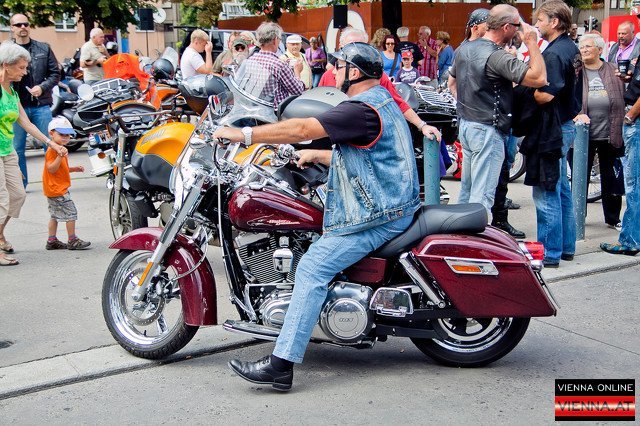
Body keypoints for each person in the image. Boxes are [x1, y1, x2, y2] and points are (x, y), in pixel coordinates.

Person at [214, 42, 421, 390]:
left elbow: (301, 129)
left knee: (311, 268)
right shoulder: (381, 100)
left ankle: (281, 365)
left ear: (354, 72)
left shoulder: (359, 109)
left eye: (339, 66)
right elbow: (372, 155)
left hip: (380, 214)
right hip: (393, 202)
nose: (333, 71)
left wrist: (244, 134)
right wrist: (319, 156)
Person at [448, 4, 546, 213]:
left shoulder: (464, 48)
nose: (519, 30)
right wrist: (532, 42)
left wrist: (466, 104)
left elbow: (451, 83)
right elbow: (539, 78)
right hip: (486, 129)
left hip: (467, 125)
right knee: (482, 197)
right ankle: (476, 233)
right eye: (517, 26)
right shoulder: (497, 56)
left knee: (468, 191)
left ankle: (463, 232)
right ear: (506, 27)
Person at [0, 41, 66, 266]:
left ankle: (0, 234)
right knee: (2, 199)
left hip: (7, 150)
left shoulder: (12, 91)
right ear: (6, 65)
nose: (25, 72)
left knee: (17, 195)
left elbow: (26, 123)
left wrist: (51, 143)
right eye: (21, 67)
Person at [319, 28, 441, 142]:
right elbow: (318, 106)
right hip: (332, 137)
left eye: (361, 47)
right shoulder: (329, 75)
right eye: (351, 46)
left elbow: (397, 102)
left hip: (363, 141)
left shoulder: (377, 76)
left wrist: (422, 125)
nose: (356, 51)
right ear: (341, 47)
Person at [531, 0, 583, 268]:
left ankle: (550, 251)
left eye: (540, 20)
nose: (536, 24)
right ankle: (565, 247)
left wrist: (527, 90)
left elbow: (545, 95)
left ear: (554, 22)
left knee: (547, 187)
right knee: (561, 188)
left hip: (555, 128)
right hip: (565, 124)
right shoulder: (570, 47)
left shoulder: (554, 53)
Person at [572, 34, 625, 232]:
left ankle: (612, 218)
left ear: (600, 50)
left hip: (610, 132)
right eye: (582, 47)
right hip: (581, 134)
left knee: (611, 178)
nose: (584, 50)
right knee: (580, 177)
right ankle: (577, 217)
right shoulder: (575, 72)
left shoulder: (613, 70)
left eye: (588, 46)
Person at [9, 13, 60, 188]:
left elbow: (55, 73)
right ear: (12, 28)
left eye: (26, 24)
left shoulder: (43, 48)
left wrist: (42, 87)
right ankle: (21, 186)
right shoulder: (7, 51)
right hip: (17, 106)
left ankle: (54, 184)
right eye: (18, 25)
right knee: (17, 148)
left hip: (41, 105)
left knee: (50, 144)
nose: (23, 27)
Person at [600, 37, 640, 256]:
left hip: (636, 122)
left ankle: (630, 240)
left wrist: (630, 116)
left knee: (634, 185)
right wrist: (630, 79)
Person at [43, 117, 91, 251]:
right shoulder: (54, 150)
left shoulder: (60, 149)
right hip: (58, 190)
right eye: (61, 134)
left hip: (54, 189)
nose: (65, 137)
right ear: (51, 134)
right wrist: (60, 156)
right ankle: (72, 240)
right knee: (71, 213)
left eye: (68, 135)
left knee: (54, 215)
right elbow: (51, 169)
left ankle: (51, 240)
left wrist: (73, 169)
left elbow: (60, 168)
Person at [234, 22, 304, 111]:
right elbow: (298, 91)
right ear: (275, 40)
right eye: (279, 39)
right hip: (274, 113)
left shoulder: (250, 60)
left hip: (254, 110)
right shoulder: (279, 65)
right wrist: (297, 72)